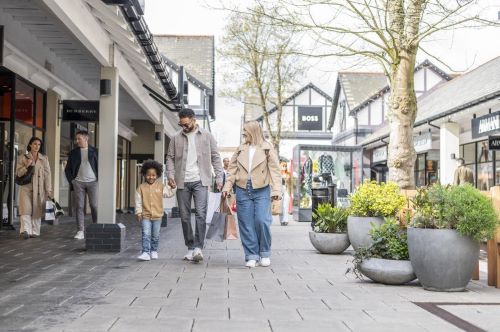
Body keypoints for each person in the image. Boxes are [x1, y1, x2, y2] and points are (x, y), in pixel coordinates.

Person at [166, 108, 223, 262]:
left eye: (186, 124)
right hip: (182, 181)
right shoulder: (175, 138)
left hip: (201, 180)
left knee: (201, 214)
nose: (183, 127)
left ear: (193, 119)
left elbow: (216, 157)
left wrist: (219, 176)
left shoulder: (206, 136)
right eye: (181, 124)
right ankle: (190, 247)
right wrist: (170, 175)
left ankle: (198, 247)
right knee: (184, 216)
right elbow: (170, 158)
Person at [222, 121, 282, 268]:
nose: (243, 134)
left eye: (245, 131)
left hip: (262, 189)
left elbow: (275, 171)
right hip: (242, 189)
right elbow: (232, 170)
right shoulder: (240, 149)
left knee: (262, 221)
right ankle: (251, 255)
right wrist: (227, 186)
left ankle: (265, 252)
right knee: (246, 224)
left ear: (253, 131)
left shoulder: (267, 148)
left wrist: (276, 190)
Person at [135, 160, 176, 261]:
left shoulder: (161, 186)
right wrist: (138, 212)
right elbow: (138, 201)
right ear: (144, 174)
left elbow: (168, 194)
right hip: (145, 216)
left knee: (155, 235)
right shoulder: (141, 187)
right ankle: (145, 252)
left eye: (153, 175)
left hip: (158, 216)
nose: (151, 177)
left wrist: (173, 188)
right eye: (148, 175)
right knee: (146, 234)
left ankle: (154, 251)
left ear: (157, 175)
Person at [16, 137, 52, 239]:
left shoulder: (44, 159)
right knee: (25, 210)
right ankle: (25, 231)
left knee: (37, 210)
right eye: (35, 144)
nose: (37, 146)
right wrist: (26, 166)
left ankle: (35, 231)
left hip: (39, 189)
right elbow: (18, 173)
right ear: (30, 145)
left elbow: (47, 175)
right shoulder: (23, 158)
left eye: (39, 144)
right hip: (26, 188)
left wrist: (48, 189)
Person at [64, 130, 98, 240]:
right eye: (76, 138)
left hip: (93, 182)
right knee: (79, 206)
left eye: (79, 138)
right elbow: (67, 169)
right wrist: (72, 181)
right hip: (78, 182)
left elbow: (100, 166)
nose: (77, 141)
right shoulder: (74, 153)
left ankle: (96, 227)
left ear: (86, 138)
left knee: (94, 205)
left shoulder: (95, 151)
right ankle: (80, 230)